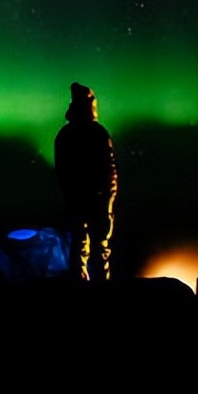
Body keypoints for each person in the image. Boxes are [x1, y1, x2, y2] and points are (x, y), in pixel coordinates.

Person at [53, 82, 118, 282]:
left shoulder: (65, 135)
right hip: (95, 196)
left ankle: (80, 284)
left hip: (78, 196)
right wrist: (108, 194)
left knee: (81, 242)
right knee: (99, 244)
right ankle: (100, 284)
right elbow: (110, 169)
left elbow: (62, 170)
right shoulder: (98, 133)